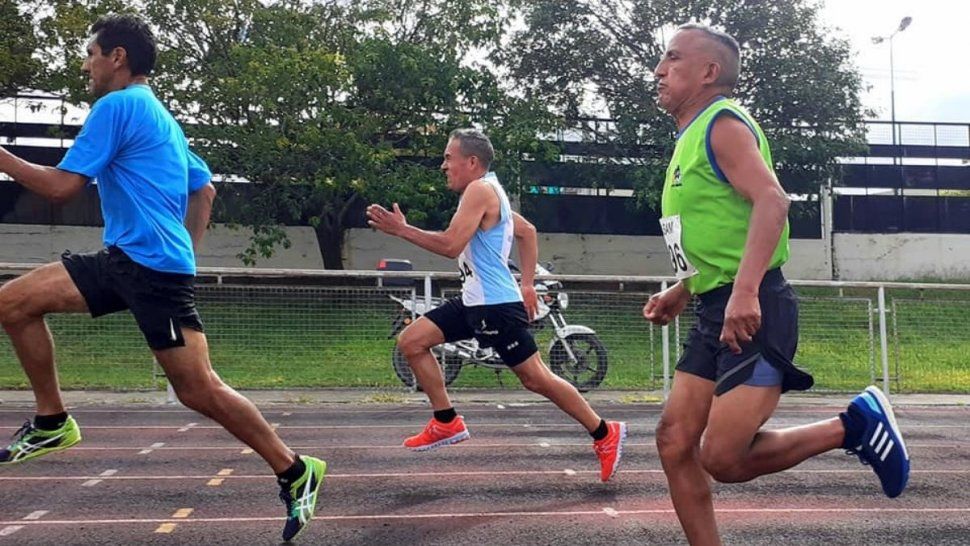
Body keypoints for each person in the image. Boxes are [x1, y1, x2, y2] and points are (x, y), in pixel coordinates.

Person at [0, 14, 324, 542]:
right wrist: (185, 255)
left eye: (91, 54)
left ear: (117, 57)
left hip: (148, 268)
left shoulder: (118, 106)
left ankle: (294, 469)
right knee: (12, 303)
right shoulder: (161, 118)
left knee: (199, 390)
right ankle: (52, 421)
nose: (86, 65)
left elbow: (61, 188)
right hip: (129, 260)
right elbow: (205, 191)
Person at [644, 24, 910, 545]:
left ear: (708, 72)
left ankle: (852, 426)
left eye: (672, 59)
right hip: (714, 305)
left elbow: (773, 201)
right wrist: (686, 288)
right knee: (674, 441)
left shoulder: (722, 123)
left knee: (722, 457)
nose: (659, 70)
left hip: (754, 306)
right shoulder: (690, 136)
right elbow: (723, 232)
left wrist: (743, 292)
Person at [367, 128, 626, 481]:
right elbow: (528, 231)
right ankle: (446, 421)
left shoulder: (480, 190)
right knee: (412, 341)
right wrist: (528, 283)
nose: (443, 165)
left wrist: (402, 230)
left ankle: (604, 432)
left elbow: (450, 245)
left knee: (537, 379)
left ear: (471, 162)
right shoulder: (492, 191)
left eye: (448, 158)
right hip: (476, 300)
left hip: (495, 307)